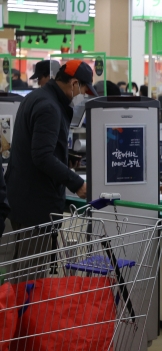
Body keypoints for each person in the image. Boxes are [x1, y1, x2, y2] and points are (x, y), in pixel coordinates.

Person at [6, 59, 96, 229]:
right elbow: (42, 156)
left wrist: (64, 155)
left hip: (22, 200)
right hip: (37, 207)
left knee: (26, 254)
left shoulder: (36, 97)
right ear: (74, 84)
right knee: (38, 255)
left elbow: (34, 144)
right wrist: (77, 184)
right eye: (83, 91)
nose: (82, 96)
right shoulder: (50, 107)